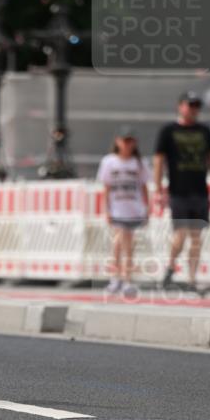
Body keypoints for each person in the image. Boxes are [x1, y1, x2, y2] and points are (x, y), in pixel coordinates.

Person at [154, 91, 210, 292]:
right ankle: (170, 268)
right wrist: (159, 189)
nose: (193, 109)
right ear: (180, 106)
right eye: (189, 105)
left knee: (196, 238)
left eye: (196, 106)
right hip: (178, 190)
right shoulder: (168, 130)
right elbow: (158, 160)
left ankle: (192, 279)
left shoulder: (204, 131)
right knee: (180, 235)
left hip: (199, 191)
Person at [97, 125, 150, 296]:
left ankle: (126, 278)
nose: (127, 145)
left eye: (130, 141)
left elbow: (144, 187)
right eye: (124, 141)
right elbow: (105, 187)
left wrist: (146, 208)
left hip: (133, 208)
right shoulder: (109, 162)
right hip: (117, 207)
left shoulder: (139, 163)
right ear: (117, 142)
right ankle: (117, 277)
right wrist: (107, 209)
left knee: (128, 243)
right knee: (119, 241)